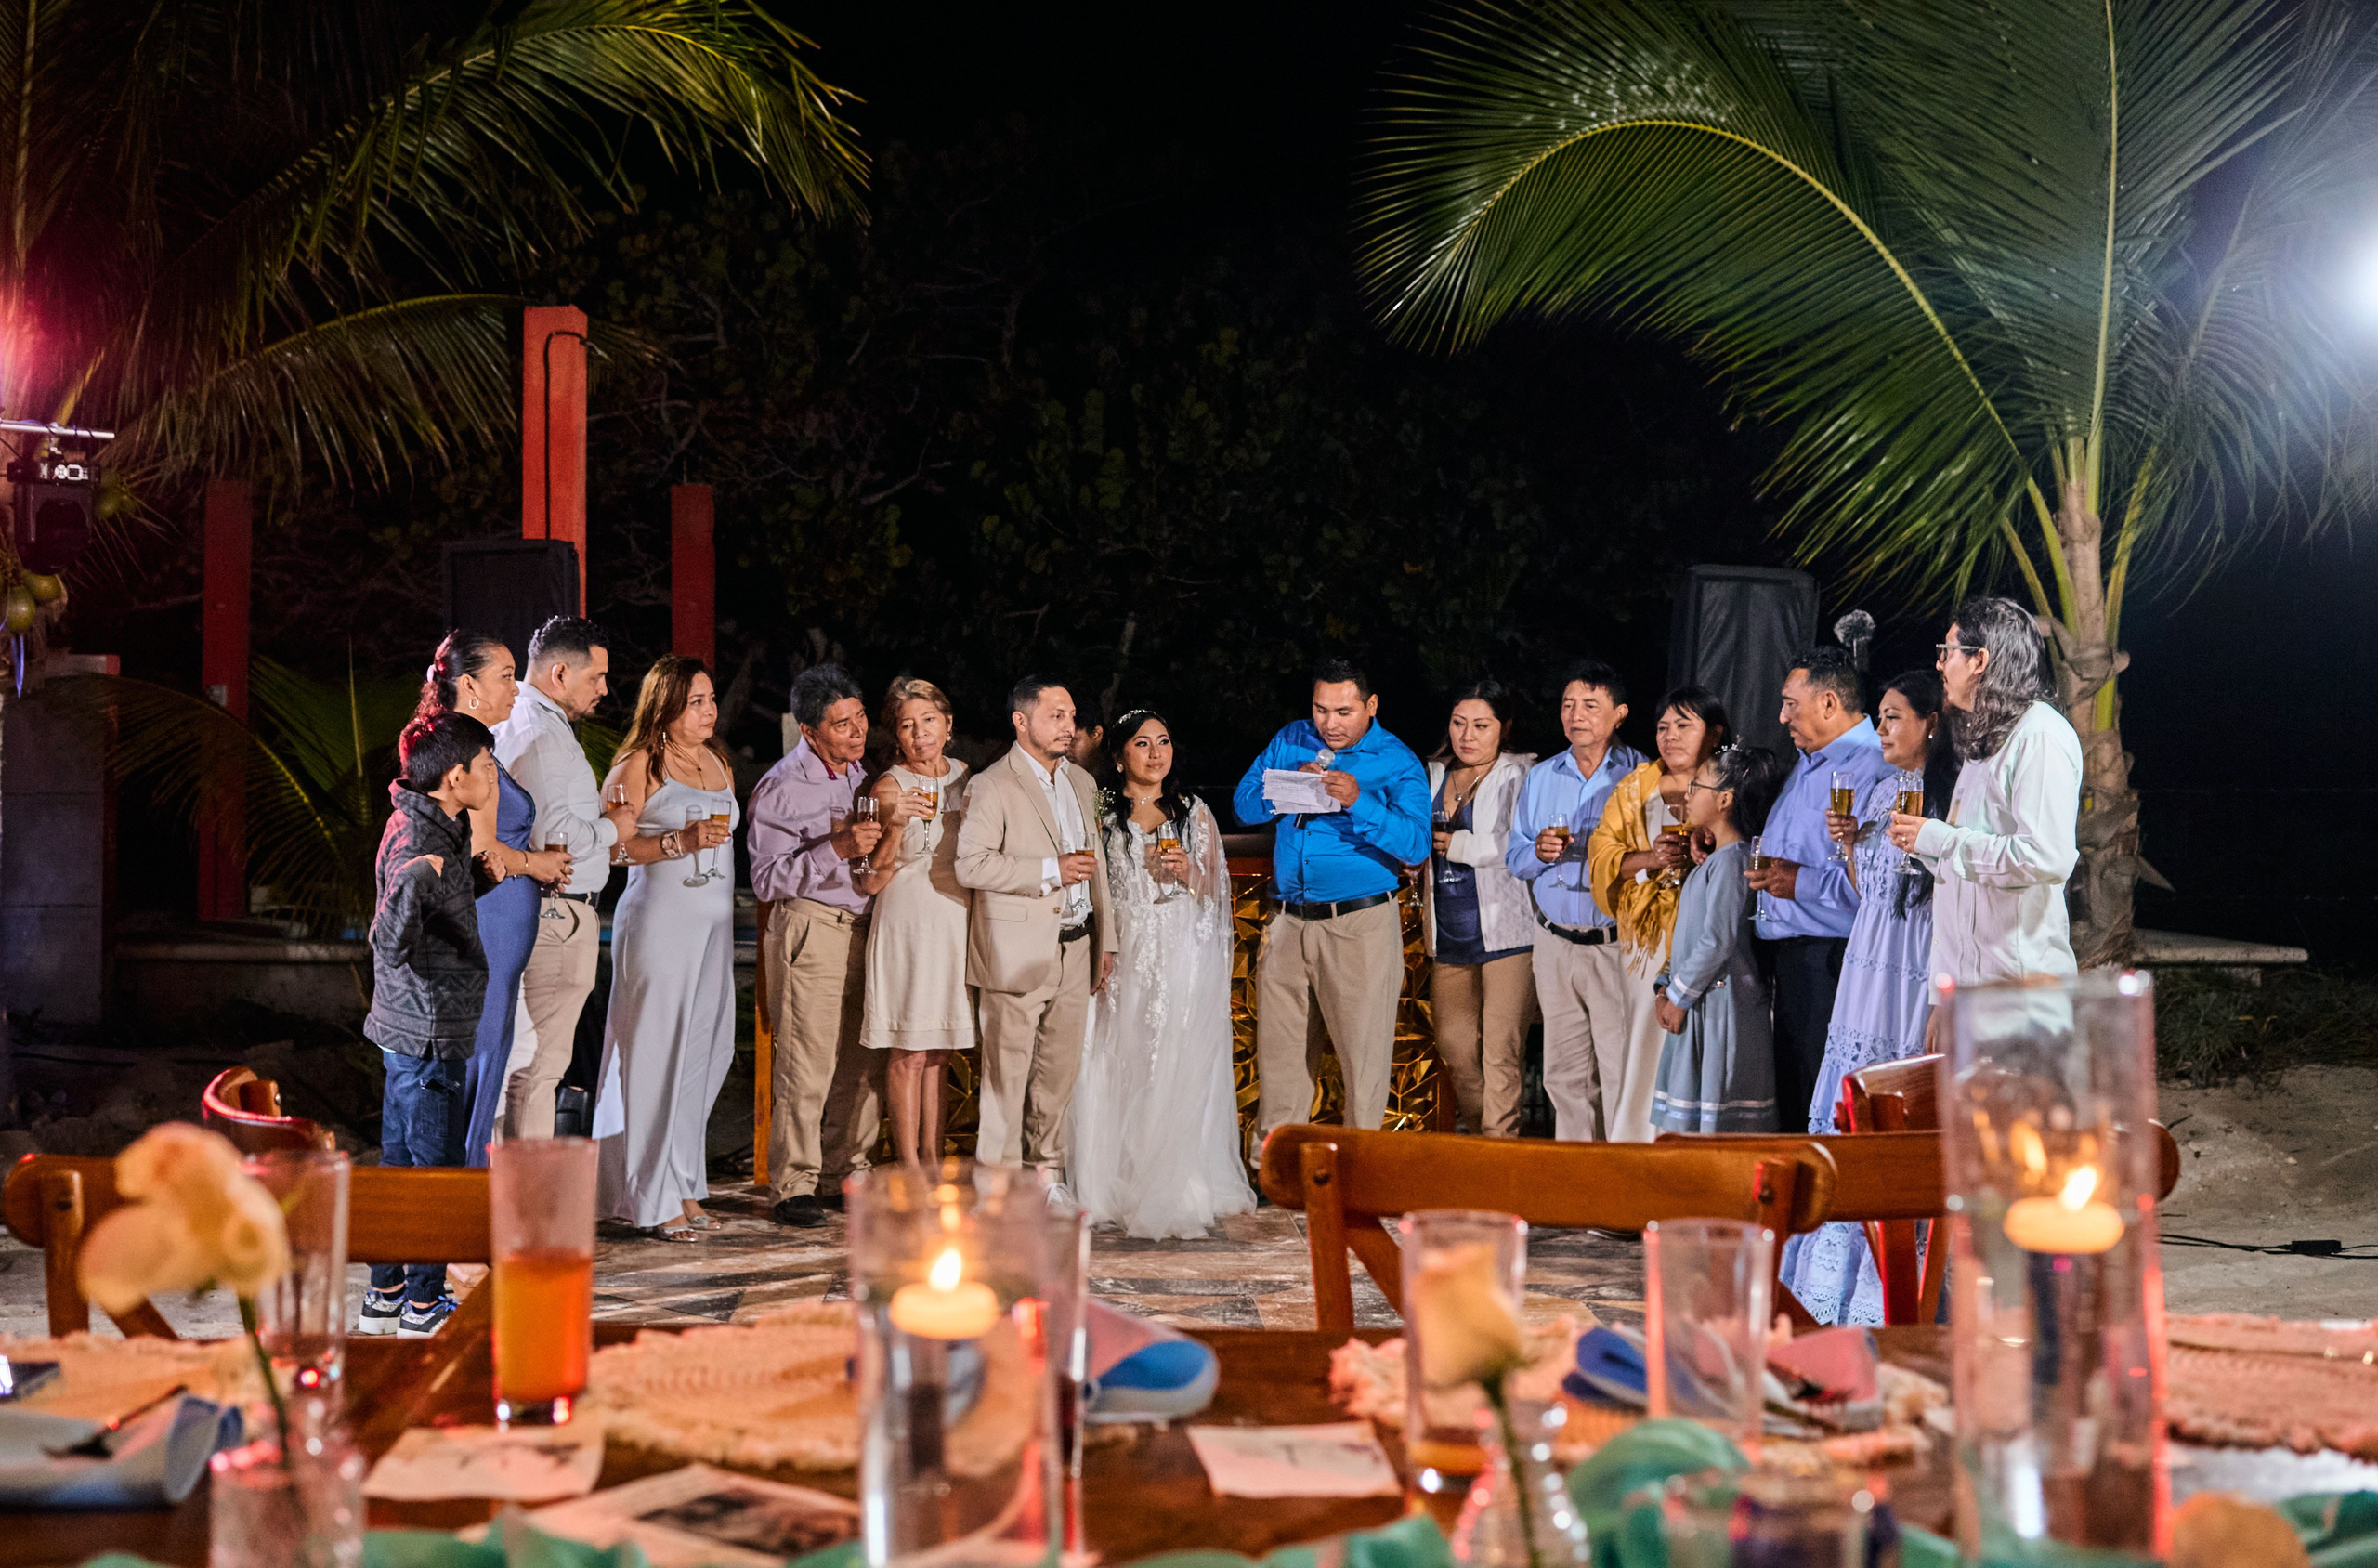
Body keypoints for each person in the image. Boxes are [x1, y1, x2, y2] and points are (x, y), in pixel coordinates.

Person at [1783, 668, 1955, 1324]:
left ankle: (1888, 1288)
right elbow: (1871, 894)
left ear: (1929, 724)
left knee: (1891, 1104)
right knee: (1843, 1101)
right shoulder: (1885, 791)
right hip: (1866, 964)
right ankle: (1828, 1273)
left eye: (1893, 717)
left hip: (1910, 970)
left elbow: (1946, 895)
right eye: (1878, 717)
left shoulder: (1948, 798)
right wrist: (1851, 846)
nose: (1882, 729)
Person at [1072, 710, 1255, 1236]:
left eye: (1165, 742)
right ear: (1118, 754)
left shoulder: (1192, 810)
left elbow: (1217, 891)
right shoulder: (1102, 810)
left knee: (1172, 1056)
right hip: (1125, 949)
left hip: (1178, 948)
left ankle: (1180, 1178)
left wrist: (1191, 873)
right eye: (1143, 744)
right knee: (1119, 1054)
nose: (1156, 754)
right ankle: (1114, 1180)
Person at [1234, 660, 1431, 1138]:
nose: (1329, 723)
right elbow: (1242, 805)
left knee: (1362, 1061)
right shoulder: (1292, 739)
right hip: (1287, 921)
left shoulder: (1398, 761)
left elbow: (1415, 845)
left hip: (1358, 924)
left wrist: (1359, 801)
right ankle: (1276, 1175)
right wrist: (1284, 788)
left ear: (1371, 706)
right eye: (1321, 710)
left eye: (1343, 712)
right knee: (1281, 1058)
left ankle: (1359, 1179)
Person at [359, 711, 497, 1337]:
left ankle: (385, 1293)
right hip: (427, 1033)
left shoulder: (434, 825)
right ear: (455, 774)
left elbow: (442, 905)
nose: (493, 777)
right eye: (487, 767)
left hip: (413, 1028)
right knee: (432, 1171)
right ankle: (421, 1304)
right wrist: (418, 881)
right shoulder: (419, 845)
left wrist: (489, 875)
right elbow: (387, 939)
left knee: (398, 1163)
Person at [592, 657, 739, 1242]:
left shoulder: (717, 760)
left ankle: (680, 1178)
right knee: (653, 1054)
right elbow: (609, 852)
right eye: (697, 702)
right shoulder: (638, 766)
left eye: (710, 699)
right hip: (658, 923)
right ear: (666, 706)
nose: (710, 711)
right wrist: (678, 841)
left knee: (706, 1051)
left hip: (713, 926)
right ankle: (644, 1196)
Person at [412, 632, 571, 1168]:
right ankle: (461, 1211)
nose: (516, 686)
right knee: (478, 1065)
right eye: (505, 675)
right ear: (468, 685)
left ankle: (469, 1201)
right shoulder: (466, 752)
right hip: (487, 925)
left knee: (491, 1061)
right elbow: (482, 848)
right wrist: (538, 864)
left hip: (500, 931)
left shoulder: (477, 746)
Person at [955, 675, 1115, 1189]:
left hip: (1077, 944)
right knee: (1006, 1079)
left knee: (1058, 1074)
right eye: (1056, 716)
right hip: (1016, 952)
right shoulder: (992, 783)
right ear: (1021, 722)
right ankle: (996, 1191)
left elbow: (1098, 868)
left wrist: (1106, 938)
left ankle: (1046, 1179)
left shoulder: (1082, 782)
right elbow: (971, 866)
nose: (1069, 726)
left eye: (1070, 716)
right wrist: (1050, 869)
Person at [1887, 597, 2083, 1014]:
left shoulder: (2040, 735)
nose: (1939, 665)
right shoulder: (1984, 740)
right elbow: (1968, 876)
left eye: (1947, 652)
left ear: (1980, 660)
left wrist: (1938, 839)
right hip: (1969, 994)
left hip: (2018, 996)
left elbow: (2045, 858)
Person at [748, 663, 886, 1227]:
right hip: (811, 926)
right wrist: (836, 846)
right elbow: (765, 879)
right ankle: (794, 1184)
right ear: (810, 732)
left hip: (864, 927)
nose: (856, 732)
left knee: (862, 1059)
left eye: (859, 718)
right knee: (807, 1061)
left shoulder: (862, 777)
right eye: (841, 724)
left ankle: (846, 1172)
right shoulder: (782, 786)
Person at [1745, 646, 1892, 1148]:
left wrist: (1800, 882)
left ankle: (1826, 1213)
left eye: (1791, 704)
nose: (1782, 716)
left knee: (1821, 1096)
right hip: (1792, 956)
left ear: (1829, 703)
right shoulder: (1809, 762)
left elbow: (1877, 881)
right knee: (1793, 1092)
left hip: (1830, 958)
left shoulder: (1874, 767)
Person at [1502, 660, 1647, 1141]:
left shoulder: (1641, 776)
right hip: (1554, 942)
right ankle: (1575, 1186)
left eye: (1590, 705)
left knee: (1618, 1069)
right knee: (1563, 1075)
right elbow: (1515, 855)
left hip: (1613, 942)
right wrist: (1538, 853)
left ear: (1619, 713)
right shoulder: (1542, 776)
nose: (1576, 715)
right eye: (1568, 705)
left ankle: (1622, 1185)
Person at [1587, 687, 1729, 1142]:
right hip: (1647, 943)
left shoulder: (1729, 786)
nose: (1670, 737)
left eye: (1684, 725)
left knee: (1701, 1041)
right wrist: (1650, 858)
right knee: (1645, 1047)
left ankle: (1695, 1145)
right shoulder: (1635, 787)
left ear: (1715, 733)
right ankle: (1636, 1144)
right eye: (1663, 727)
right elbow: (1602, 855)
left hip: (1710, 936)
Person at [490, 616, 613, 1140]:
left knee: (526, 1065)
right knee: (538, 1070)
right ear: (560, 673)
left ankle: (512, 1200)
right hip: (557, 910)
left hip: (538, 908)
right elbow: (551, 832)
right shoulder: (540, 732)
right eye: (597, 677)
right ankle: (528, 1209)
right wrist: (613, 827)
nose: (605, 689)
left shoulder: (521, 719)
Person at [856, 677, 974, 1168]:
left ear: (948, 725)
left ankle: (934, 1156)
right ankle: (909, 1167)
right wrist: (897, 825)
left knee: (941, 1049)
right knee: (907, 1049)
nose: (919, 732)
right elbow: (868, 881)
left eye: (928, 721)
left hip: (954, 920)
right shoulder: (888, 787)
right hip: (907, 921)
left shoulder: (968, 778)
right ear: (897, 736)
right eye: (907, 725)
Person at [1419, 682, 1537, 1137]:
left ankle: (1498, 1156)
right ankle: (1489, 1146)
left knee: (1501, 1052)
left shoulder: (1521, 774)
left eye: (1481, 725)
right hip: (1448, 934)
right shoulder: (1431, 775)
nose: (1467, 735)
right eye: (1458, 723)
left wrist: (1466, 845)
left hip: (1507, 933)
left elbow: (1527, 841)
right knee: (1456, 1047)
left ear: (1503, 729)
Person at [1650, 743, 1785, 1133]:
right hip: (1701, 1001)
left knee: (1719, 1117)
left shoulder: (1732, 862)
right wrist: (1665, 987)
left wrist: (1677, 996)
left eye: (1698, 787)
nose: (1688, 795)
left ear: (1725, 799)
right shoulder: (1715, 862)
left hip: (1721, 1006)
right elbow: (1690, 938)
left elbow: (1717, 941)